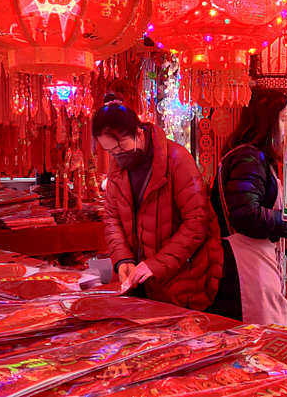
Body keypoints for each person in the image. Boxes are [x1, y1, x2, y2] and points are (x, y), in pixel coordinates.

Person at [94, 94, 224, 311]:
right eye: (111, 152)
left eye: (121, 148)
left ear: (139, 133)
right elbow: (113, 219)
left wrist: (156, 264)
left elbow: (196, 222)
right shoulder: (117, 167)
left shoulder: (177, 159)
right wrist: (123, 259)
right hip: (138, 282)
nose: (117, 156)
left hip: (181, 279)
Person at [208, 87, 287, 325]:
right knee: (257, 337)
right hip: (244, 271)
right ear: (267, 122)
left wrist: (284, 235)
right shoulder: (249, 159)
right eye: (282, 120)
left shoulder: (256, 158)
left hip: (256, 263)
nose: (285, 128)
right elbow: (245, 215)